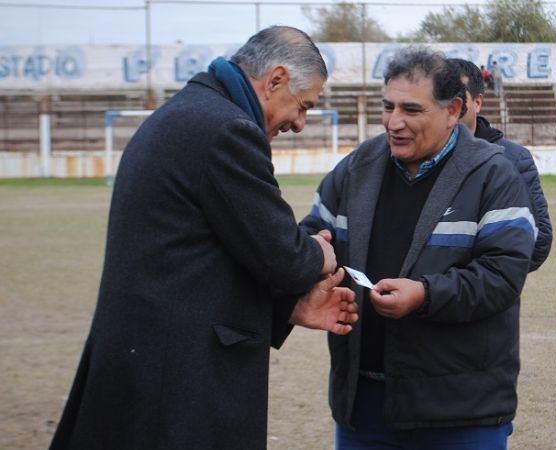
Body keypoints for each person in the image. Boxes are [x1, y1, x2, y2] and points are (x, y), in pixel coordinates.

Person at [50, 26, 358, 450]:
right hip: (175, 382)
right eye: (302, 106)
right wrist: (320, 253)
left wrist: (288, 308)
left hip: (149, 365)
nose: (301, 124)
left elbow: (199, 259)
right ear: (276, 80)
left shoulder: (190, 112)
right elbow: (283, 255)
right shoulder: (226, 130)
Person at [300, 46, 536, 449]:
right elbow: (311, 234)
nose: (394, 122)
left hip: (460, 411)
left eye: (411, 109)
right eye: (387, 107)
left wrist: (425, 295)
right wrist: (311, 257)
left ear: (453, 110)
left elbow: (503, 275)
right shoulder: (356, 167)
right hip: (364, 405)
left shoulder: (494, 174)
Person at [451, 58, 552, 272]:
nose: (449, 109)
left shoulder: (514, 159)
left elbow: (539, 239)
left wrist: (479, 280)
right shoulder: (418, 159)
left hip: (485, 299)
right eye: (440, 100)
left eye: (457, 99)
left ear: (477, 103)